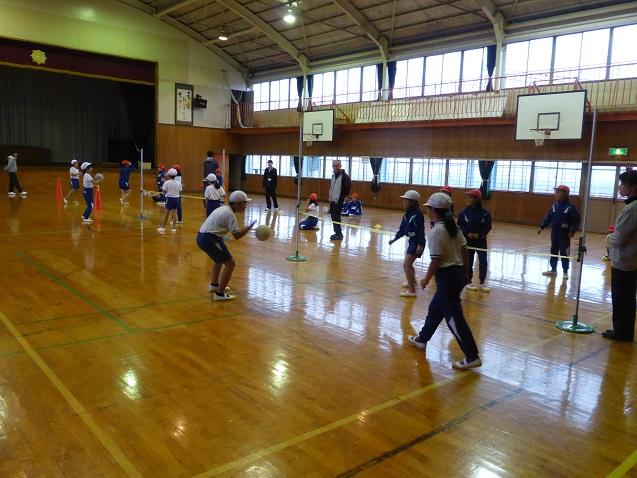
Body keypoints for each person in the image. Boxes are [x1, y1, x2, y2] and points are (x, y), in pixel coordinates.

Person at [408, 192, 481, 370]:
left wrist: (426, 278)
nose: (427, 211)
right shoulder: (454, 227)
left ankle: (472, 356)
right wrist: (466, 272)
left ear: (433, 210)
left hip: (448, 278)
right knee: (435, 309)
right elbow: (464, 250)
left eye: (429, 208)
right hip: (457, 274)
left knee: (454, 318)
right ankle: (422, 339)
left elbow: (436, 260)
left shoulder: (437, 232)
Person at [196, 190, 256, 301]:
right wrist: (249, 228)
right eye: (244, 203)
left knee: (218, 260)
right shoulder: (230, 214)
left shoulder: (224, 208)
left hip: (205, 237)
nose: (245, 206)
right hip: (209, 239)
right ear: (238, 203)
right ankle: (219, 294)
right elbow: (237, 235)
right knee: (230, 264)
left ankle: (214, 285)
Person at [603, 170, 637, 342]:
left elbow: (620, 237)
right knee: (627, 299)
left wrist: (608, 239)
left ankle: (622, 332)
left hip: (625, 261)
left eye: (623, 184)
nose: (620, 187)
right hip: (630, 260)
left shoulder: (632, 209)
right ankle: (624, 330)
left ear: (633, 187)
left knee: (622, 299)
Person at [389, 190, 426, 298]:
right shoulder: (406, 215)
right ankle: (412, 281)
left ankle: (412, 291)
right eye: (403, 200)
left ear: (413, 202)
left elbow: (421, 231)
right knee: (409, 264)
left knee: (407, 264)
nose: (404, 202)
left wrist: (420, 245)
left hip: (417, 242)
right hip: (412, 241)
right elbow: (402, 230)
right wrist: (394, 239)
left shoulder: (417, 215)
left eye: (406, 200)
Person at [538, 185, 580, 279]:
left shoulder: (570, 207)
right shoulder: (554, 206)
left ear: (565, 194)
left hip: (564, 235)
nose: (556, 194)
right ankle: (553, 270)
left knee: (564, 253)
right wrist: (542, 227)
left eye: (558, 192)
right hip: (554, 233)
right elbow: (548, 218)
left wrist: (572, 231)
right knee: (553, 251)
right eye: (555, 192)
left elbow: (576, 220)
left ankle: (565, 272)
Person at [457, 188, 492, 292]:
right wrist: (467, 233)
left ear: (477, 199)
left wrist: (479, 234)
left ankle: (482, 282)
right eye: (467, 197)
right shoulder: (463, 212)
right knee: (469, 262)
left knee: (483, 262)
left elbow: (487, 226)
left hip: (481, 241)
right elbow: (460, 225)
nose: (468, 199)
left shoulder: (485, 213)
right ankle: (468, 281)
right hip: (468, 241)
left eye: (470, 197)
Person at [328, 159, 351, 241]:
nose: (335, 167)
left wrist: (341, 198)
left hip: (338, 200)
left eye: (337, 166)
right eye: (334, 166)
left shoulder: (345, 177)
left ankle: (339, 234)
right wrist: (330, 197)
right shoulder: (333, 176)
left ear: (340, 166)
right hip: (332, 200)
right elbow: (332, 188)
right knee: (333, 217)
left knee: (336, 217)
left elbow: (346, 189)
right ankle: (337, 233)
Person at [158, 168, 181, 233]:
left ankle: (163, 227)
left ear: (169, 175)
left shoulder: (167, 182)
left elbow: (164, 191)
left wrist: (166, 193)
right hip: (177, 199)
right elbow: (180, 191)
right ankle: (173, 228)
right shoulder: (178, 183)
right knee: (175, 213)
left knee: (166, 213)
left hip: (169, 199)